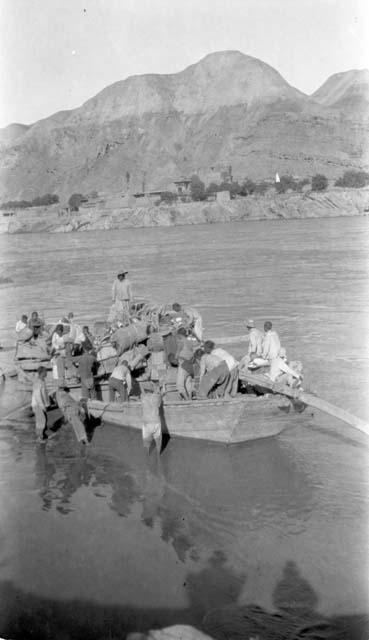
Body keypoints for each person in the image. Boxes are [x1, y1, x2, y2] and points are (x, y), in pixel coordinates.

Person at [32, 366, 51, 442]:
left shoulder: (42, 381)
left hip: (41, 405)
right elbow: (37, 396)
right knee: (41, 421)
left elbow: (44, 394)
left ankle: (43, 435)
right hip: (38, 405)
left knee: (44, 419)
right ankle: (39, 438)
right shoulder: (38, 382)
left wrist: (47, 404)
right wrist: (42, 406)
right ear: (42, 373)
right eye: (46, 371)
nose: (47, 373)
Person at [141, 387, 162, 456]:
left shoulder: (143, 397)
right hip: (156, 422)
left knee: (146, 444)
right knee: (158, 442)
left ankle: (148, 457)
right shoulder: (157, 397)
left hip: (146, 423)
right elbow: (159, 403)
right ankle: (159, 457)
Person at [175, 327, 195, 400]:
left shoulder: (181, 342)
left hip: (183, 364)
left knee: (180, 385)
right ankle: (190, 398)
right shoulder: (190, 342)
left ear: (179, 334)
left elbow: (176, 355)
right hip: (190, 365)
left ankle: (186, 399)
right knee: (188, 384)